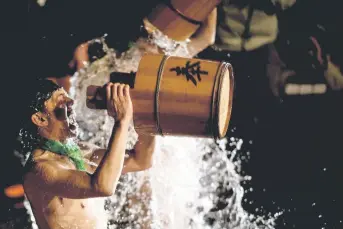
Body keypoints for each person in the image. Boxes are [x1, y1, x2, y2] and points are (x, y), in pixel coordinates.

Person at [21, 79, 156, 229]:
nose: (71, 101)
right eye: (61, 101)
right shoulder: (40, 170)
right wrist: (121, 121)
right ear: (40, 119)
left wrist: (148, 114)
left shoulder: (81, 152)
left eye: (68, 97)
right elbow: (102, 187)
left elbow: (141, 160)